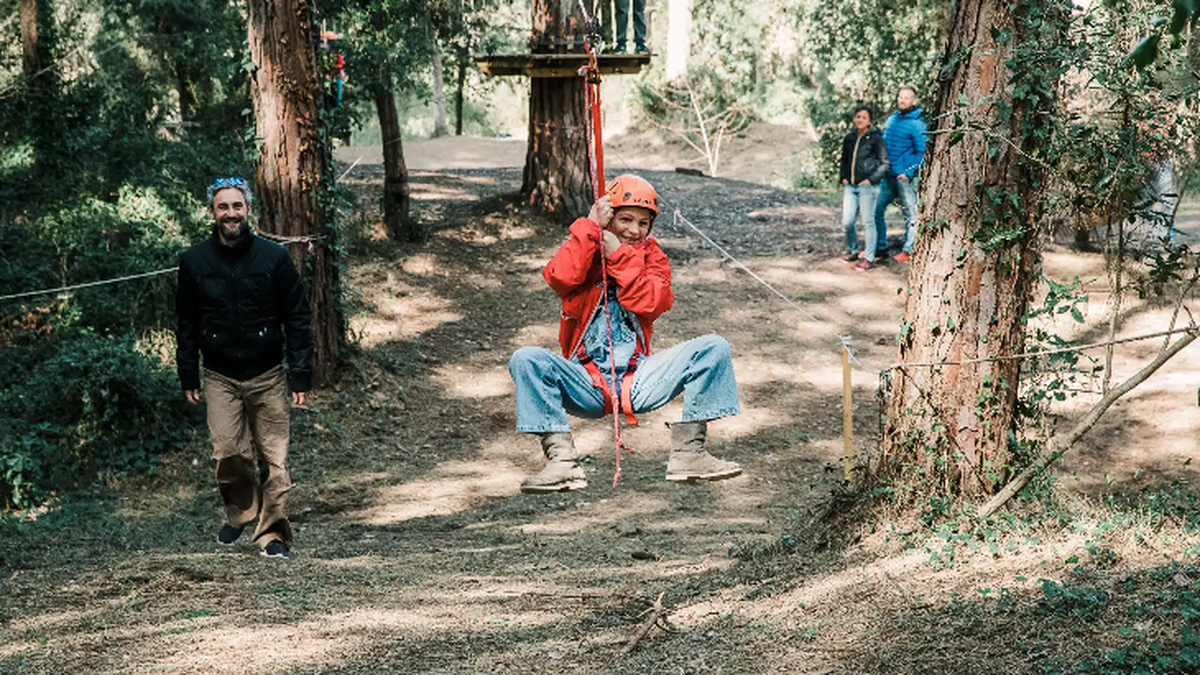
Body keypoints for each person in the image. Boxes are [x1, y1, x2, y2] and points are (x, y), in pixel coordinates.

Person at [508, 175, 742, 493]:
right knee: (526, 359)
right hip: (586, 380)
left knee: (713, 347)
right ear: (609, 217)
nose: (634, 230)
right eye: (625, 219)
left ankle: (690, 453)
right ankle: (561, 462)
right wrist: (591, 229)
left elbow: (650, 301)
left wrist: (618, 253)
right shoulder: (584, 244)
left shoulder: (653, 257)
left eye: (643, 223)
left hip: (638, 380)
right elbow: (561, 278)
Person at [176, 177, 313, 559]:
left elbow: (298, 317)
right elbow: (186, 322)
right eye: (224, 207)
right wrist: (187, 372)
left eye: (237, 206)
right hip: (219, 375)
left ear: (248, 210)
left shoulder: (274, 258)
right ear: (212, 213)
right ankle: (241, 513)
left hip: (268, 374)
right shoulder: (193, 261)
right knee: (228, 455)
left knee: (275, 461)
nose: (231, 213)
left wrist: (301, 373)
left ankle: (272, 535)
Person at [873, 86, 927, 263]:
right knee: (876, 210)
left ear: (914, 101)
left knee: (910, 214)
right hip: (888, 176)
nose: (902, 100)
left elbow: (923, 152)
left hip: (904, 178)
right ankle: (880, 247)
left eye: (907, 98)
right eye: (900, 97)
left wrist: (909, 172)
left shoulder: (917, 124)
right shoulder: (892, 120)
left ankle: (909, 249)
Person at [839, 105, 890, 271]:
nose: (860, 120)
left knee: (868, 222)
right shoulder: (849, 138)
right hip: (850, 187)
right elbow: (845, 160)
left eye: (864, 117)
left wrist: (871, 180)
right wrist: (844, 178)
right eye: (858, 116)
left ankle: (868, 258)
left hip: (868, 188)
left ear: (869, 121)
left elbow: (885, 164)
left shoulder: (876, 139)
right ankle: (853, 250)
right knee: (847, 222)